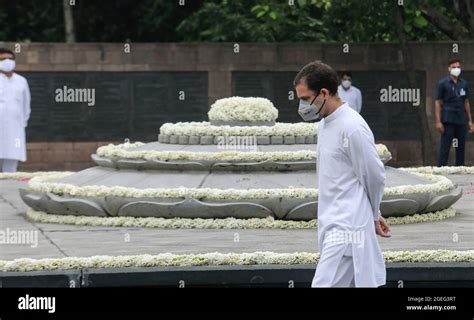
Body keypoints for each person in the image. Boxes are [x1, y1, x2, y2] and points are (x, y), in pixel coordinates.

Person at [295, 61, 390, 288]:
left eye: (306, 99)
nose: (302, 106)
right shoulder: (325, 125)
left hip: (346, 228)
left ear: (324, 93)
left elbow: (374, 175)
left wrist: (374, 214)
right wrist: (373, 214)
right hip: (335, 225)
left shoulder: (352, 126)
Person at [435, 58, 473, 167]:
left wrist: (470, 121)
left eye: (458, 67)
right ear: (449, 69)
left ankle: (460, 169)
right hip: (448, 119)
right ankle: (441, 169)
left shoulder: (464, 83)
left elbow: (466, 101)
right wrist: (438, 121)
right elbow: (437, 102)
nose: (456, 69)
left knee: (461, 147)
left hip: (461, 119)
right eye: (454, 67)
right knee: (445, 146)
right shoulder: (443, 83)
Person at [0, 48, 31, 172]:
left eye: (10, 58)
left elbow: (26, 104)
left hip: (15, 128)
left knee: (12, 159)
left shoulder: (21, 81)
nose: (7, 61)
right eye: (2, 59)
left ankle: (8, 187)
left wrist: (22, 123)